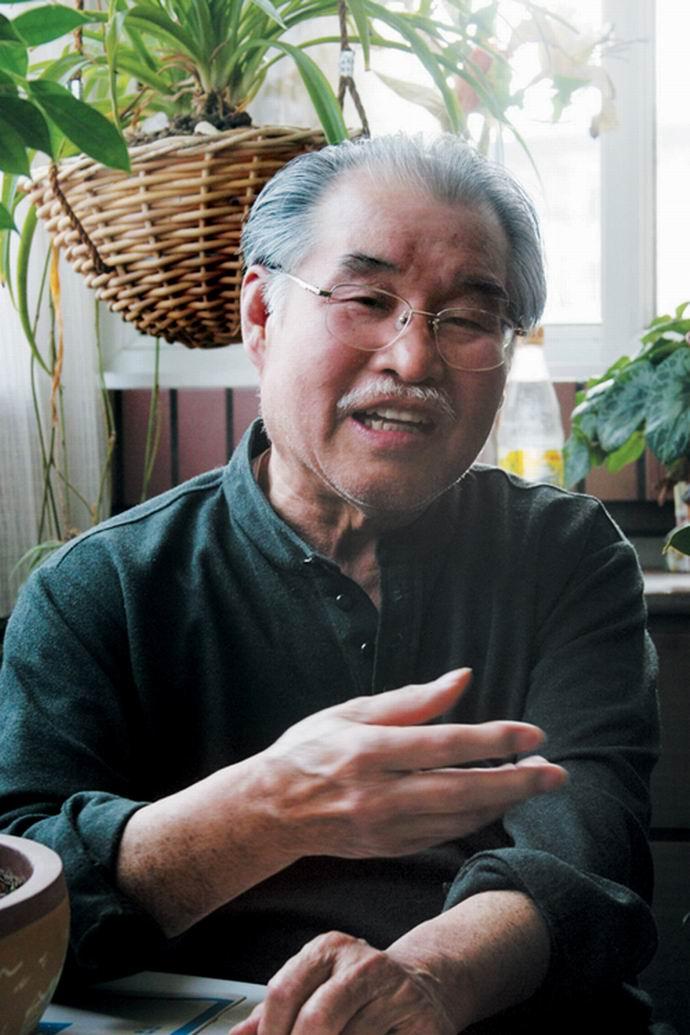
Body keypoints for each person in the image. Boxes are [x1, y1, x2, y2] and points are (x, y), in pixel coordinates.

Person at [0, 134, 659, 1034]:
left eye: (467, 319)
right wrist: (267, 807)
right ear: (260, 315)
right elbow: (22, 896)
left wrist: (426, 977)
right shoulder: (100, 588)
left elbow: (591, 850)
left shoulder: (568, 555)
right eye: (367, 300)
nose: (413, 360)